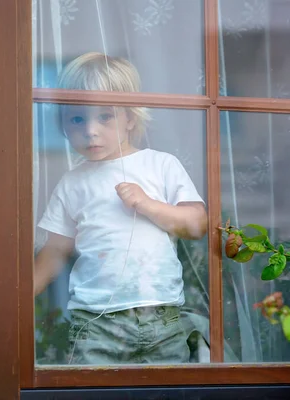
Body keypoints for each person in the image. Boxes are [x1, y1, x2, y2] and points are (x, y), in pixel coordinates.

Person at [34, 52, 207, 364]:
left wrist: (148, 205)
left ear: (130, 117)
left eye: (105, 116)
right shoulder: (73, 183)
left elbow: (196, 223)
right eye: (77, 119)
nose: (90, 130)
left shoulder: (161, 165)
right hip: (96, 323)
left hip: (163, 318)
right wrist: (17, 298)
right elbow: (56, 250)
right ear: (62, 124)